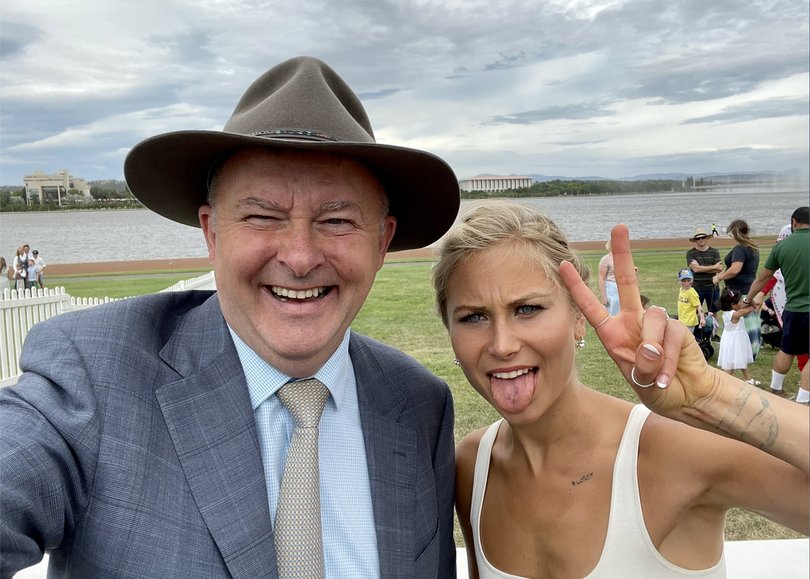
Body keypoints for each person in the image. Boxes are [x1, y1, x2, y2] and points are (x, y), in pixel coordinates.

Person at [0, 56, 459, 578]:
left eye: (337, 220)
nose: (301, 256)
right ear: (212, 232)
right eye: (263, 216)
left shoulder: (420, 406)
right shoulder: (93, 376)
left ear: (383, 241)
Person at [431, 203, 808, 579]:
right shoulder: (472, 465)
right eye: (473, 317)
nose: (502, 344)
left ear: (578, 317)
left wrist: (709, 396)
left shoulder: (672, 451)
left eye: (527, 309)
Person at [747, 207, 810, 404]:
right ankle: (803, 400)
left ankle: (776, 389)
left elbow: (762, 279)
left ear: (794, 222)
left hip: (792, 309)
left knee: (787, 350)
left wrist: (748, 299)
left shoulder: (782, 247)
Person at [712, 219, 761, 360]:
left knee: (737, 322)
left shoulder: (740, 248)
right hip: (749, 289)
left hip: (738, 292)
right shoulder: (753, 247)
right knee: (750, 322)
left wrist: (719, 277)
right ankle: (751, 349)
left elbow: (735, 269)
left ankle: (741, 351)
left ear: (734, 232)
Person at [716, 288, 758, 384]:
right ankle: (723, 382)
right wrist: (753, 307)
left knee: (742, 359)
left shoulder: (731, 311)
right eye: (739, 301)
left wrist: (749, 302)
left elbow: (743, 307)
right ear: (733, 305)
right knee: (730, 364)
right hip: (734, 342)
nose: (741, 303)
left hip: (736, 340)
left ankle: (748, 379)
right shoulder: (733, 314)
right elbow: (744, 311)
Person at [686, 227, 722, 316]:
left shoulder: (714, 251)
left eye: (703, 237)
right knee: (695, 312)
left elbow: (719, 269)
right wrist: (713, 267)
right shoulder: (690, 253)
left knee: (713, 313)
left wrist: (700, 268)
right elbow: (695, 269)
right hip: (697, 287)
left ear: (706, 238)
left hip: (713, 287)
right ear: (695, 240)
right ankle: (696, 330)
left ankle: (714, 330)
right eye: (698, 238)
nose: (701, 240)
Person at [675, 268, 705, 333]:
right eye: (683, 281)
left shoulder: (692, 292)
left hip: (689, 322)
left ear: (692, 280)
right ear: (679, 281)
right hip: (682, 320)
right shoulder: (681, 290)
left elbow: (698, 306)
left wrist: (702, 318)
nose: (686, 283)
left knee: (686, 340)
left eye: (688, 280)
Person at [598, 240, 619, 315]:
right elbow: (601, 278)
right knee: (611, 311)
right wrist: (604, 297)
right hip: (611, 288)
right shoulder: (605, 259)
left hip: (622, 287)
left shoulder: (624, 258)